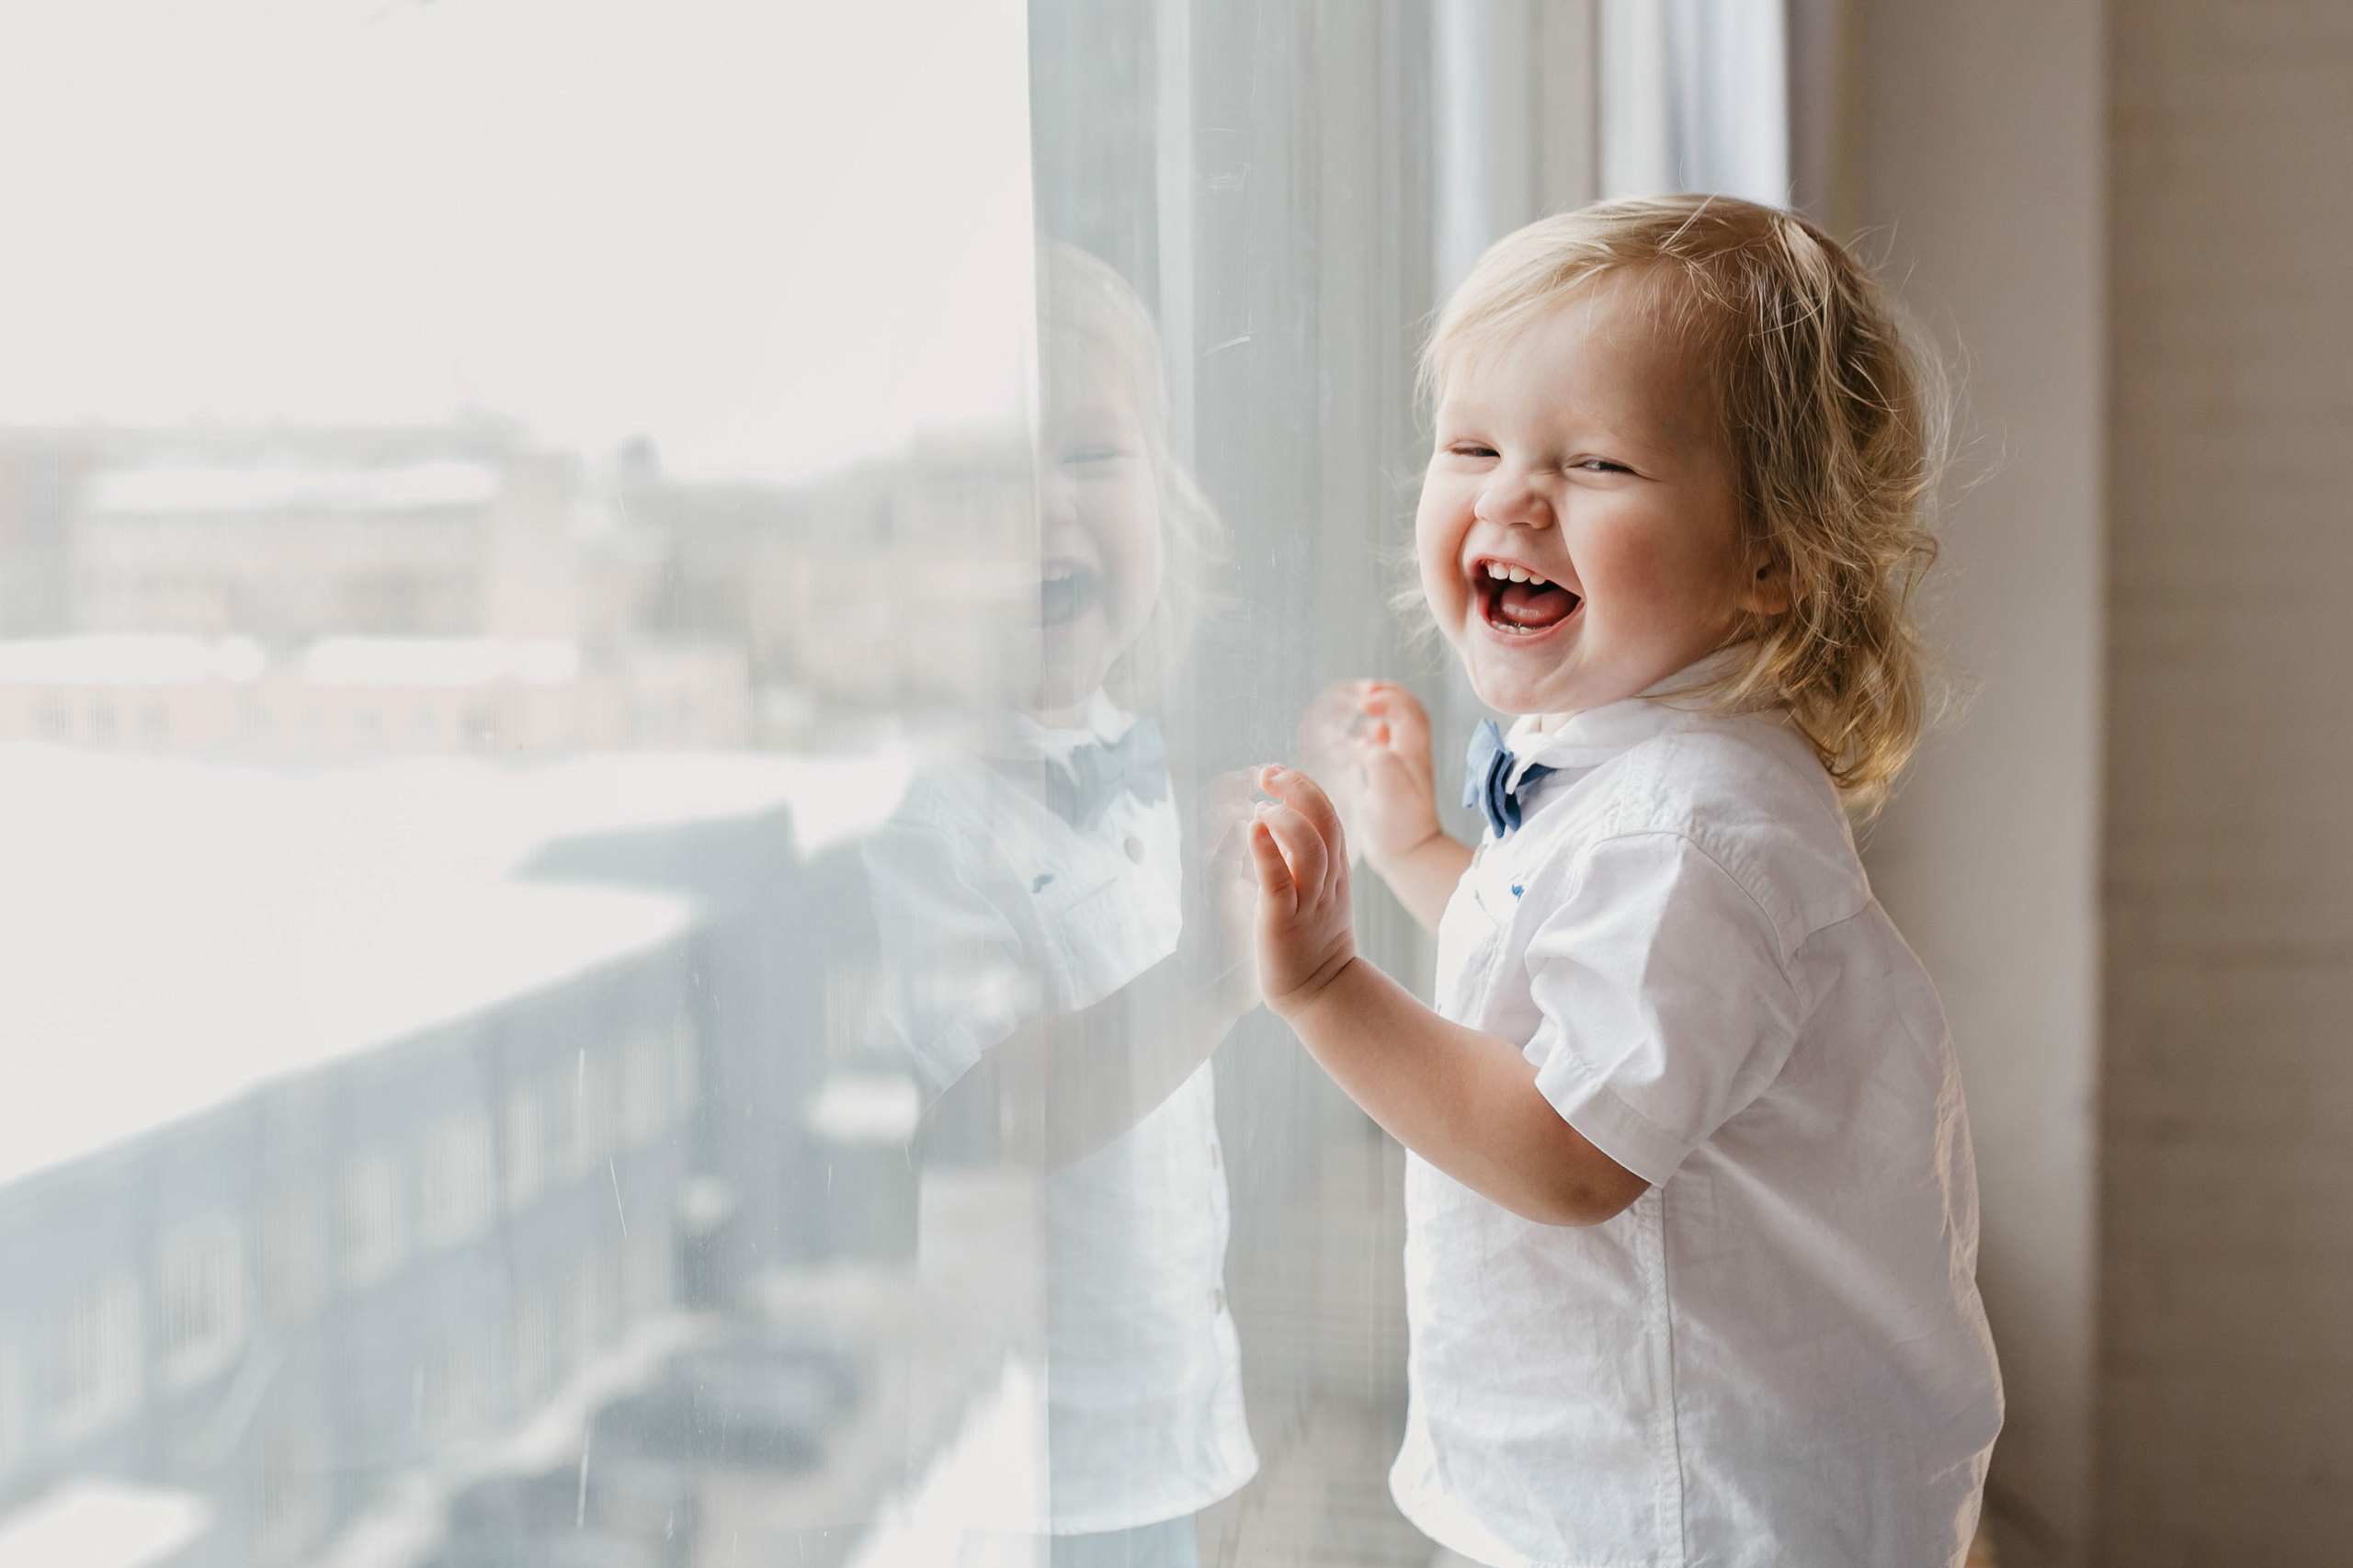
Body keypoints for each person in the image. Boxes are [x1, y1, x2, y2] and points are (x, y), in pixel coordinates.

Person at [1248, 196, 2004, 1567]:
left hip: (1696, 1509)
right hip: (1677, 1482)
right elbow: (1560, 973)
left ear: (1771, 556)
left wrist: (1324, 988)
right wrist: (1420, 846)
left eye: (1595, 462)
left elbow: (1566, 1149)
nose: (1510, 495)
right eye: (1471, 445)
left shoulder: (1691, 838)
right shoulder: (1649, 770)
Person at [860, 241, 1257, 1566]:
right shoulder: (932, 820)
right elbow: (995, 1110)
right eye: (986, 480)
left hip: (1163, 1429)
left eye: (1090, 457)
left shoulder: (1132, 765)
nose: (1045, 512)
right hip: (1032, 1473)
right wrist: (1206, 978)